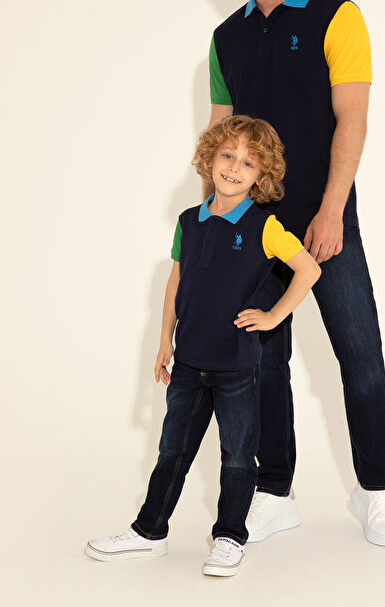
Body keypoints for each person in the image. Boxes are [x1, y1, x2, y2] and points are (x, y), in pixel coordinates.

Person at [207, 0, 385, 546]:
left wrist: (330, 210)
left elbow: (353, 118)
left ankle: (376, 492)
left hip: (326, 218)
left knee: (359, 353)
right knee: (262, 362)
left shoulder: (336, 15)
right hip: (254, 228)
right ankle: (274, 493)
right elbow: (221, 139)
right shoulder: (225, 39)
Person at [85, 115, 321, 575]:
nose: (234, 167)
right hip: (189, 365)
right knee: (172, 451)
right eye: (227, 155)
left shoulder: (264, 226)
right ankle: (148, 532)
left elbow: (308, 269)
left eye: (248, 163)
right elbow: (176, 281)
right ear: (209, 159)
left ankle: (230, 537)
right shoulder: (187, 222)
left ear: (261, 175)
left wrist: (273, 316)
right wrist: (164, 341)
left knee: (238, 458)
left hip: (237, 367)